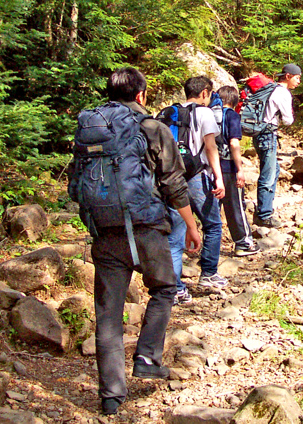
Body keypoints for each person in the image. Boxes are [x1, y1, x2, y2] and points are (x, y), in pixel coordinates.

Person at [68, 67, 201, 416]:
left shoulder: (90, 129)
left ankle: (111, 396)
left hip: (106, 232)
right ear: (141, 95)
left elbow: (74, 182)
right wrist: (191, 226)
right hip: (146, 228)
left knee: (108, 315)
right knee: (164, 288)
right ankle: (146, 356)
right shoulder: (152, 128)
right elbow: (174, 182)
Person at [166, 76, 228, 301]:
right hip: (196, 176)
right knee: (212, 224)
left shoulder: (167, 112)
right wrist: (219, 178)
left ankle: (175, 288)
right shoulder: (204, 113)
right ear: (204, 93)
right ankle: (209, 273)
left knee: (175, 234)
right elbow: (210, 147)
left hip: (170, 177)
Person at [253, 63, 300, 228]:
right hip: (268, 135)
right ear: (288, 76)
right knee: (268, 174)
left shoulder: (269, 88)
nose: (298, 81)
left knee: (274, 170)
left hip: (258, 134)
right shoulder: (282, 93)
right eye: (297, 77)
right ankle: (264, 215)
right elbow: (288, 120)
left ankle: (265, 210)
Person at [217, 85, 260, 256]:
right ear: (235, 102)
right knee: (235, 206)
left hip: (210, 168)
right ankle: (243, 243)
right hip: (228, 168)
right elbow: (234, 143)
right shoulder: (232, 116)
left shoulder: (209, 115)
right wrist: (240, 169)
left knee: (213, 209)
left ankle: (208, 245)